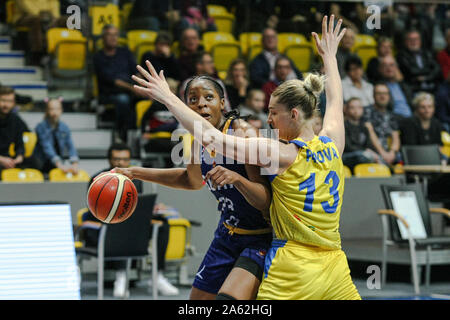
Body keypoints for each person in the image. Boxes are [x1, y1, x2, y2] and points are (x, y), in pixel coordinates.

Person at [131, 15, 361, 300]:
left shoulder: (280, 152)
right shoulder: (333, 142)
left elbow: (213, 138)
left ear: (293, 114)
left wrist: (167, 97)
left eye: (273, 112)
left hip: (294, 265)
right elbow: (335, 98)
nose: (269, 120)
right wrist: (330, 57)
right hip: (335, 265)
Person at [115, 75, 273, 300]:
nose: (201, 103)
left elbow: (265, 200)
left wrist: (237, 179)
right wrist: (134, 172)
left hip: (260, 237)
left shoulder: (243, 132)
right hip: (227, 235)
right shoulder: (198, 139)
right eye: (193, 99)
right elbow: (190, 180)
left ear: (222, 102)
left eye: (209, 97)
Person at [83, 143, 179, 297]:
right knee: (120, 220)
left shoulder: (135, 180)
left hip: (131, 228)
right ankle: (121, 276)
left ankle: (157, 275)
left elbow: (135, 206)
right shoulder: (98, 180)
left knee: (162, 224)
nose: (120, 163)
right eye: (116, 159)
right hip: (106, 228)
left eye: (125, 159)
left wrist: (150, 209)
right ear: (109, 160)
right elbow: (94, 211)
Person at [93, 24, 142, 143]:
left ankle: (143, 134)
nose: (113, 38)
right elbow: (112, 80)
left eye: (115, 35)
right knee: (123, 100)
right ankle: (122, 133)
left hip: (131, 90)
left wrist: (142, 87)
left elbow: (136, 72)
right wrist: (133, 88)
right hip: (110, 93)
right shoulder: (98, 57)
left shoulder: (125, 52)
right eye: (109, 35)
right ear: (103, 38)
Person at [12, 0, 66, 65]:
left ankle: (71, 51)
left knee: (69, 21)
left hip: (48, 17)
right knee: (37, 20)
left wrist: (54, 18)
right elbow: (28, 8)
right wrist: (44, 17)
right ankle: (37, 54)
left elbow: (55, 9)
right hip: (25, 17)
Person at [34, 97, 79, 175]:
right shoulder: (41, 127)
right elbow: (47, 147)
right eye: (51, 109)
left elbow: (71, 146)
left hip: (57, 163)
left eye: (57, 109)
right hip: (41, 164)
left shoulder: (64, 127)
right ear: (47, 111)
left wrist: (75, 163)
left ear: (61, 110)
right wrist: (60, 165)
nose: (55, 112)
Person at [399, 92, 446, 161]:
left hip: (432, 157)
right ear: (416, 108)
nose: (427, 110)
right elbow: (410, 148)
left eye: (430, 107)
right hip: (414, 158)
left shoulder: (436, 123)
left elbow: (439, 145)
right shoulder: (408, 123)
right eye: (423, 107)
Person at [363, 83, 401, 166]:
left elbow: (395, 136)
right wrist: (382, 153)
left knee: (402, 158)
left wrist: (392, 152)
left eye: (385, 94)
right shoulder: (367, 111)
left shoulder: (391, 115)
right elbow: (370, 133)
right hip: (372, 151)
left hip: (388, 152)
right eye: (379, 93)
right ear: (373, 96)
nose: (382, 96)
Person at [343, 97, 381, 170]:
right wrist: (365, 151)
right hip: (348, 155)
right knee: (362, 156)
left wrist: (368, 152)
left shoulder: (364, 127)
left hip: (364, 154)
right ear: (346, 109)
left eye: (359, 107)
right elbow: (348, 147)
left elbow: (369, 145)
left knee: (380, 158)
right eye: (352, 107)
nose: (356, 110)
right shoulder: (343, 126)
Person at [0, 87, 28, 173]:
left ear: (14, 103)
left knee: (35, 164)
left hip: (8, 158)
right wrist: (1, 160)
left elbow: (20, 143)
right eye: (3, 100)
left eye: (9, 101)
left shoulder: (16, 120)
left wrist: (19, 157)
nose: (6, 105)